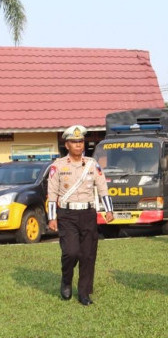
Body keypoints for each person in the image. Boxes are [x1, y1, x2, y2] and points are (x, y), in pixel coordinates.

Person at [47, 125, 114, 306]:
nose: (78, 145)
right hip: (67, 214)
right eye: (74, 142)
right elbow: (52, 193)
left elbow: (103, 189)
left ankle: (84, 293)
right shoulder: (58, 166)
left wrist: (109, 210)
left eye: (81, 141)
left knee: (87, 255)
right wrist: (52, 218)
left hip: (88, 213)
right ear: (67, 144)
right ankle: (66, 280)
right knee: (71, 252)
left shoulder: (92, 164)